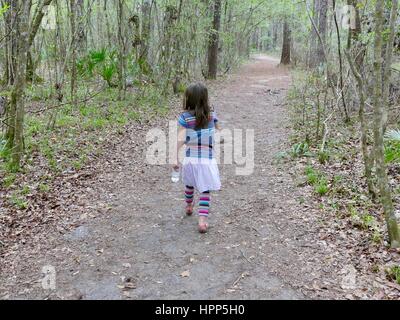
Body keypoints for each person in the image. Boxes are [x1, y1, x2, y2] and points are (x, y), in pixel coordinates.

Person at [174, 83, 221, 233]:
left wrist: (174, 157)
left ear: (189, 99)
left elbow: (180, 138)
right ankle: (202, 221)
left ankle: (189, 206)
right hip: (207, 160)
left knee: (189, 184)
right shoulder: (212, 115)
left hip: (190, 160)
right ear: (205, 99)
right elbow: (220, 135)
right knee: (205, 189)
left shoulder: (184, 118)